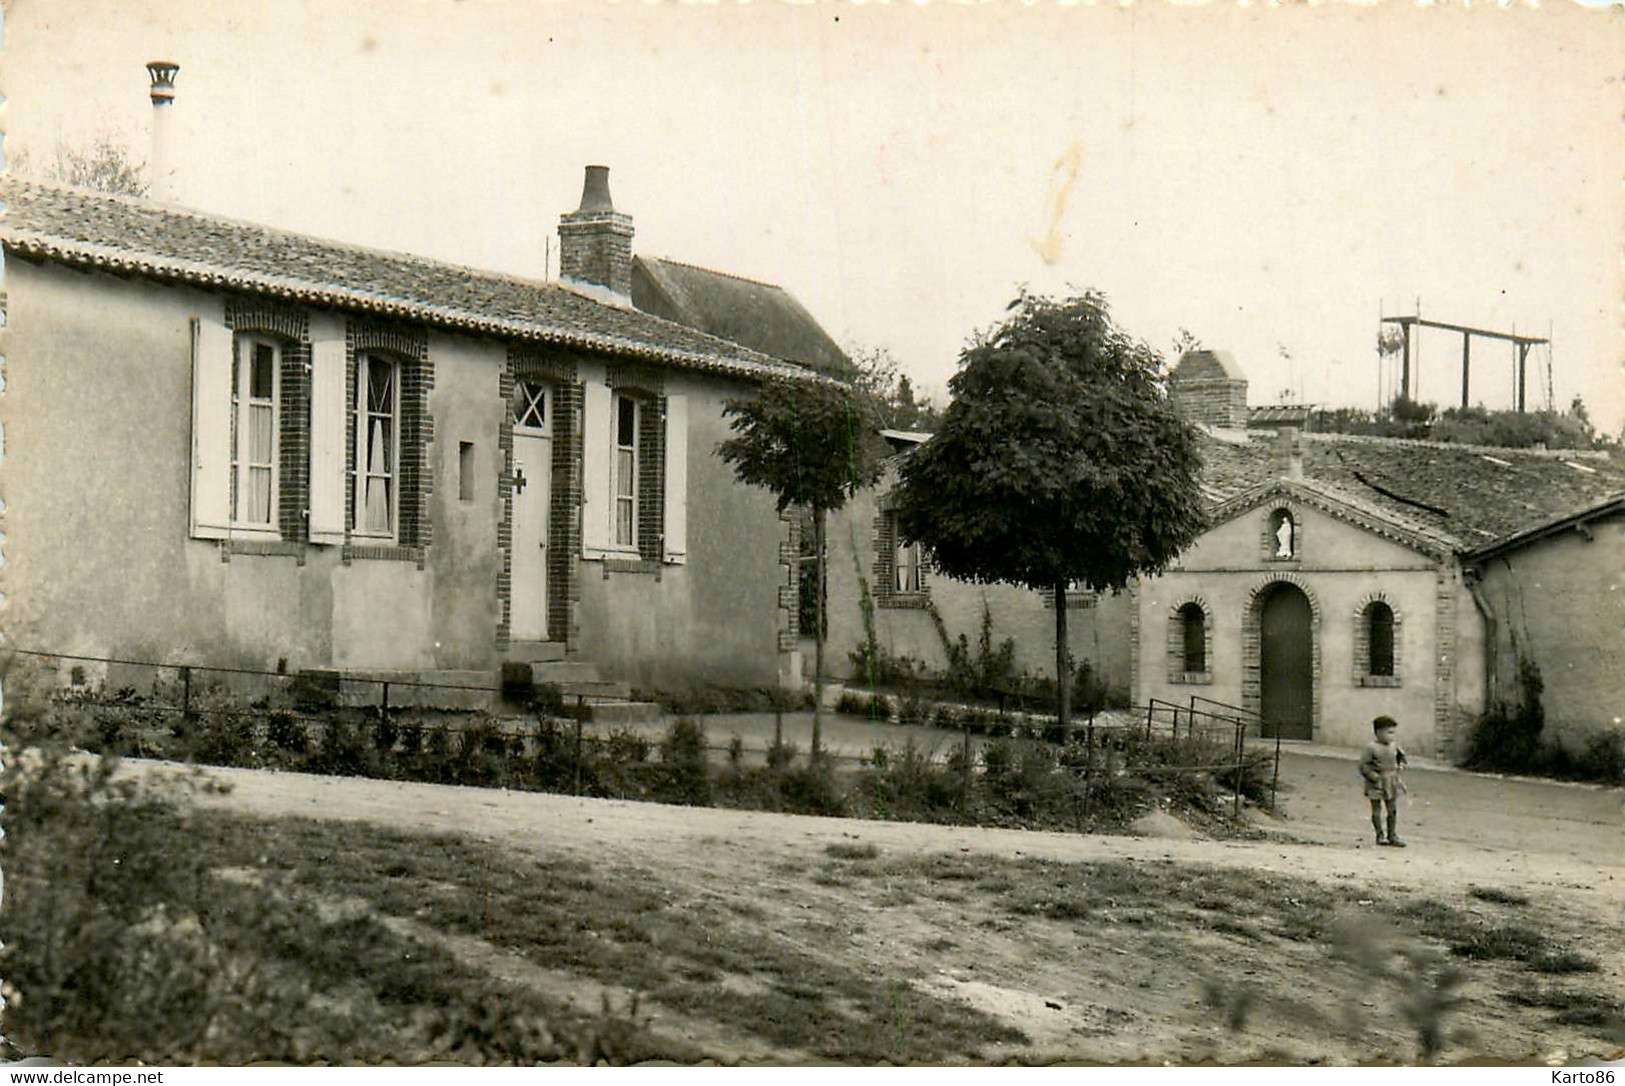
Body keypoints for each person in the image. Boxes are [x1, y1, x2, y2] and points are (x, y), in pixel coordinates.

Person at [1359, 715, 1408, 847]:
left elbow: (1402, 757)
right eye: (1389, 732)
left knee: (1392, 809)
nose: (1392, 736)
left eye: (1393, 733)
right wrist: (1373, 776)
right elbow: (1363, 765)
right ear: (1378, 733)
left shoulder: (1394, 746)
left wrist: (1401, 766)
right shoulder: (1371, 748)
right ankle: (1380, 835)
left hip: (1391, 781)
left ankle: (1392, 835)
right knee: (1376, 809)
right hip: (1376, 782)